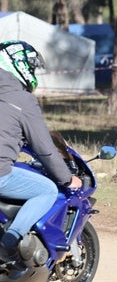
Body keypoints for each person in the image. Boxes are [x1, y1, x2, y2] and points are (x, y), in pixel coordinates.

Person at [0, 40, 82, 272]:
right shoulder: (21, 99)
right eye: (31, 66)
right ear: (18, 63)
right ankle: (11, 240)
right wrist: (66, 178)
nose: (33, 71)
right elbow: (45, 148)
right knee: (47, 189)